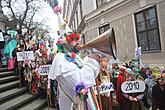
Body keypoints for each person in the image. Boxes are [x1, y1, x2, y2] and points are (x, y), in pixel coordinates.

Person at [48, 32, 100, 110]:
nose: (78, 42)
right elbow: (79, 82)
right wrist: (92, 61)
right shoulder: (60, 59)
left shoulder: (75, 56)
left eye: (78, 39)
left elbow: (90, 78)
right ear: (65, 42)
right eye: (74, 40)